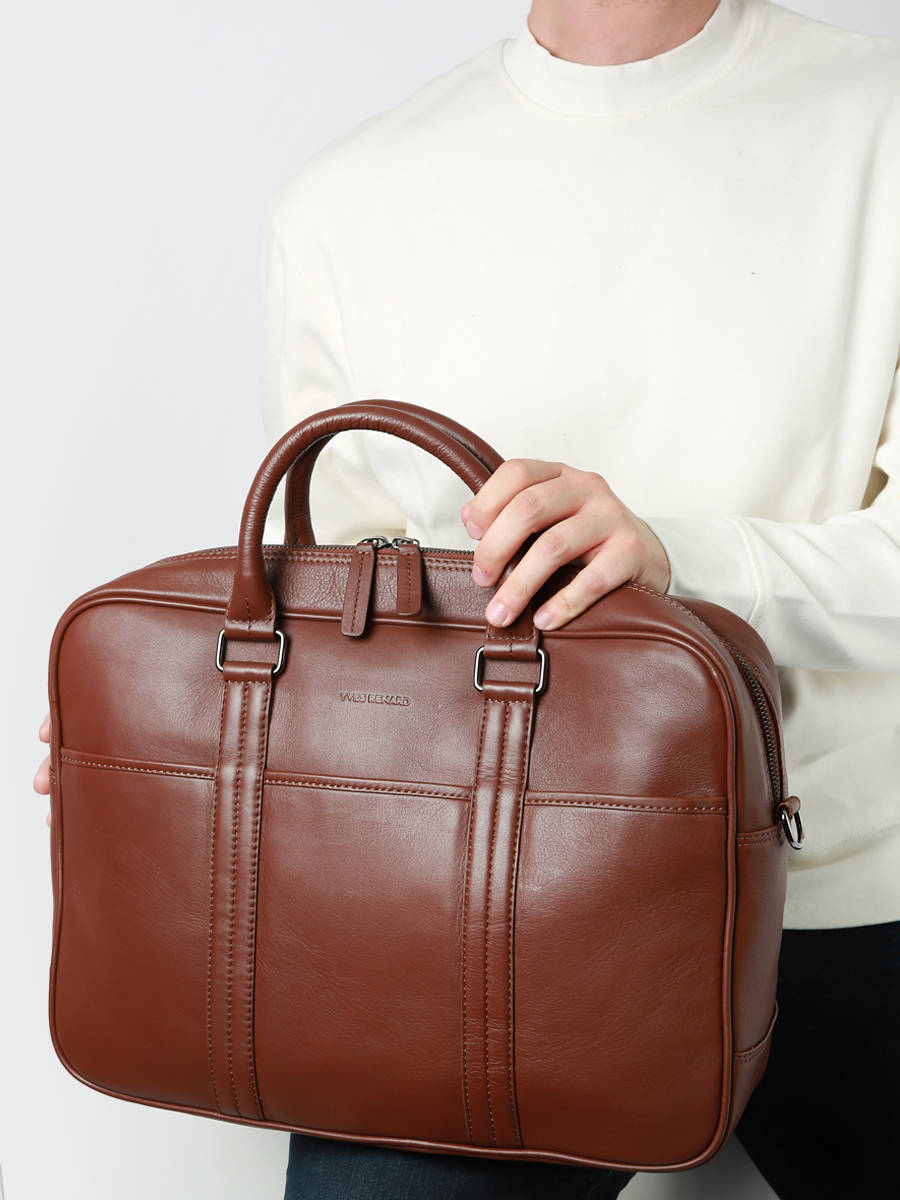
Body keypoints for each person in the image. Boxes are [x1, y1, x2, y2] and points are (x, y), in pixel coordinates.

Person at [35, 0, 900, 1196]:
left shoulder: (877, 125)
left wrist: (672, 557)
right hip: (478, 928)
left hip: (858, 897)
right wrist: (154, 744)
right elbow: (348, 614)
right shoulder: (346, 201)